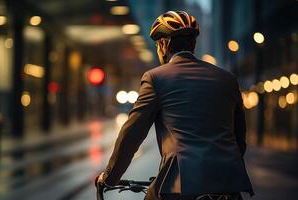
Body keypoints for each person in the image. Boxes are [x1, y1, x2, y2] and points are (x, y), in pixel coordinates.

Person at [96, 11, 254, 200]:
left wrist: (110, 178)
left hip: (180, 187)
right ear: (193, 44)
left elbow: (132, 134)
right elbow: (239, 140)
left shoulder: (155, 78)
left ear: (163, 44)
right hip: (228, 186)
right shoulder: (228, 79)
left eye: (157, 45)